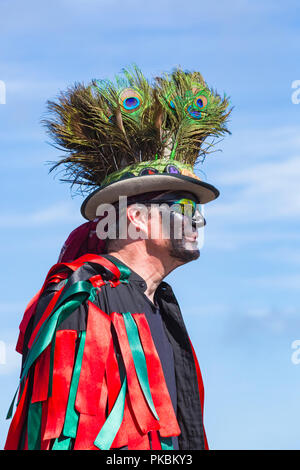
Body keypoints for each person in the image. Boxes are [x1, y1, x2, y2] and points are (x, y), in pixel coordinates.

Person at [5, 66, 231, 450]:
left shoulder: (162, 305)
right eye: (181, 205)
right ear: (137, 218)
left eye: (197, 208)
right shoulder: (82, 300)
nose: (198, 218)